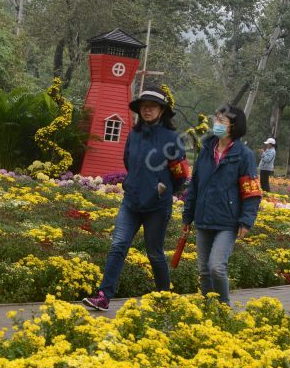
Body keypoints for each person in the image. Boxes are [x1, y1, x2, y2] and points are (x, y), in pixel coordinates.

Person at [82, 88, 188, 311]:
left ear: (162, 110)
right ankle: (104, 295)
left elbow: (180, 175)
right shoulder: (134, 134)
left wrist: (162, 189)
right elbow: (129, 163)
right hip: (131, 202)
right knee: (118, 246)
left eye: (152, 106)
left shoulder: (172, 139)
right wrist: (136, 184)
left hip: (157, 207)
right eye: (143, 105)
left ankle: (164, 297)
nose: (147, 109)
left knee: (154, 253)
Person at [182, 105, 262, 304]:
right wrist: (187, 216)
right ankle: (208, 309)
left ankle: (224, 308)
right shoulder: (206, 150)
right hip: (203, 217)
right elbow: (195, 185)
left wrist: (246, 221)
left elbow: (251, 192)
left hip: (228, 220)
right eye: (216, 119)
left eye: (221, 121)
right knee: (204, 270)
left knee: (216, 266)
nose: (216, 124)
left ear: (233, 126)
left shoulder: (245, 155)